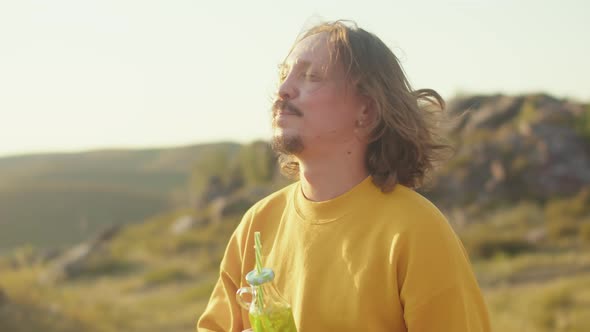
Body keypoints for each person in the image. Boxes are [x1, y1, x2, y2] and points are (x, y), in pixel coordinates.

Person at [197, 20, 492, 332]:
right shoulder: (257, 224)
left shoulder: (416, 231)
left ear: (366, 110)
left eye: (311, 76)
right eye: (284, 76)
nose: (283, 90)